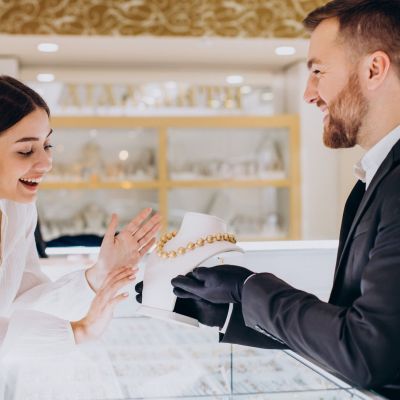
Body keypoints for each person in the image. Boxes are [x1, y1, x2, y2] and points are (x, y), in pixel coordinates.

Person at [165, 1, 400, 398]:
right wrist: (227, 312)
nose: (309, 94)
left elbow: (369, 354)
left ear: (374, 69)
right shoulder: (370, 183)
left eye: (318, 72)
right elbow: (343, 334)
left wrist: (249, 287)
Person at [0, 75, 160, 362]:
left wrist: (98, 275)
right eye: (26, 150)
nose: (47, 163)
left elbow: (21, 300)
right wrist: (79, 331)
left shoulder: (17, 208)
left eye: (47, 146)